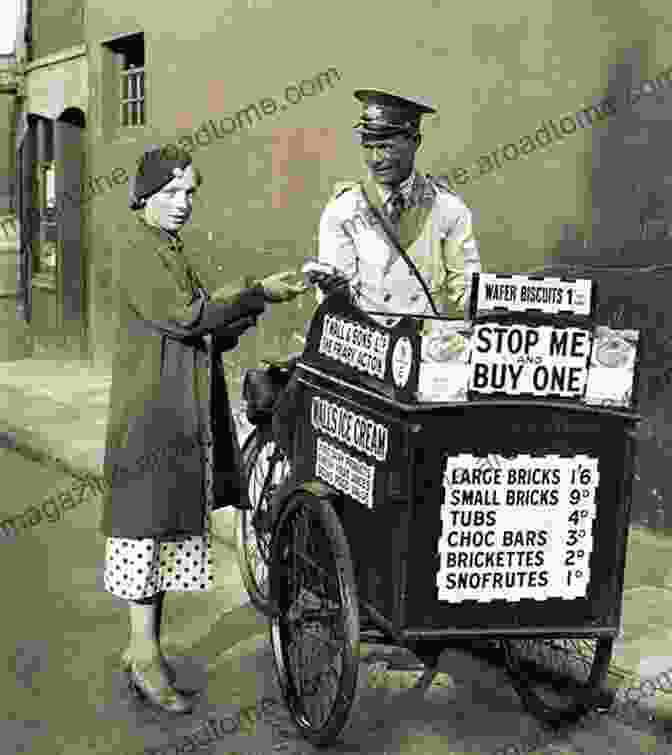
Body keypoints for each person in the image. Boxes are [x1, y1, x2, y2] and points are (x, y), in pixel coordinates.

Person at [100, 145, 306, 714]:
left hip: (175, 411)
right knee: (146, 535)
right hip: (151, 418)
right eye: (171, 193)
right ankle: (143, 655)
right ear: (143, 197)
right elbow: (188, 316)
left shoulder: (167, 248)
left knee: (162, 537)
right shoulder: (138, 249)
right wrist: (256, 294)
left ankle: (145, 651)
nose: (183, 203)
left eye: (190, 192)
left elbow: (204, 319)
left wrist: (252, 298)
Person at [316, 89, 481, 326]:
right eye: (368, 147)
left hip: (427, 349)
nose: (375, 159)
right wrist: (335, 292)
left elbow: (466, 292)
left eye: (386, 147)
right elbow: (335, 307)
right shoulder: (343, 211)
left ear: (415, 142)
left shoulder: (448, 209)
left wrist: (515, 305)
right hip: (368, 349)